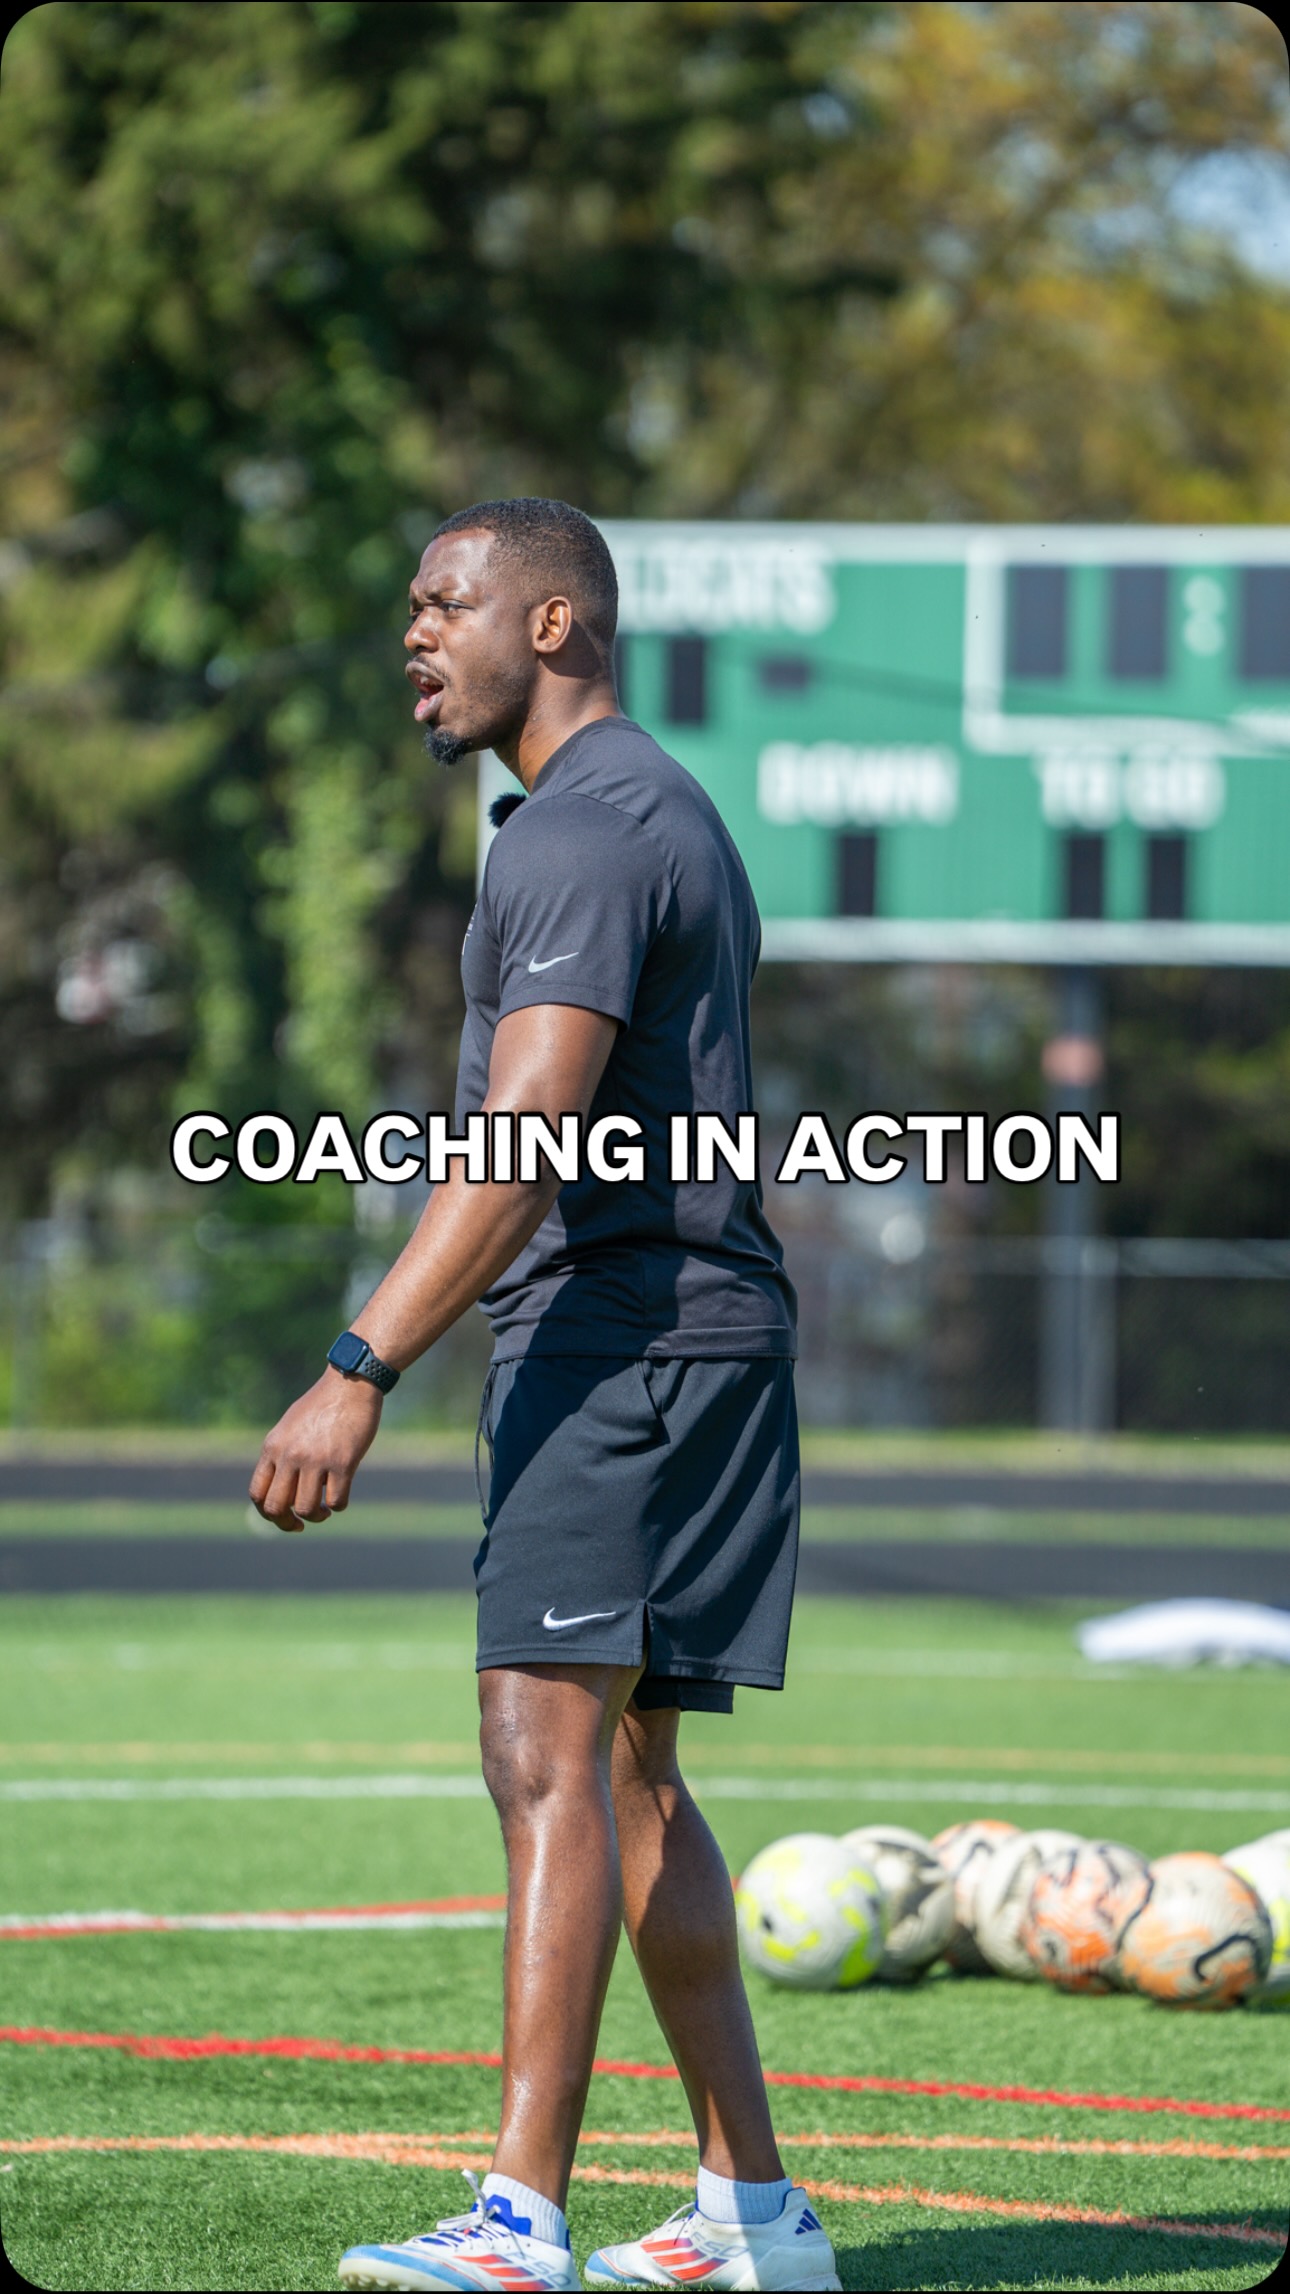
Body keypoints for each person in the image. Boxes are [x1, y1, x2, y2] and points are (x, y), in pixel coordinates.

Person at [250, 498, 839, 2294]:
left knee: (544, 1748)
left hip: (628, 1340)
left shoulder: (581, 831)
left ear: (556, 619)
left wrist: (357, 1367)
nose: (416, 634)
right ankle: (755, 2217)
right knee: (634, 1775)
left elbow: (522, 1140)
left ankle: (517, 2217)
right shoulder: (638, 807)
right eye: (412, 605)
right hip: (690, 1333)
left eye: (448, 602)